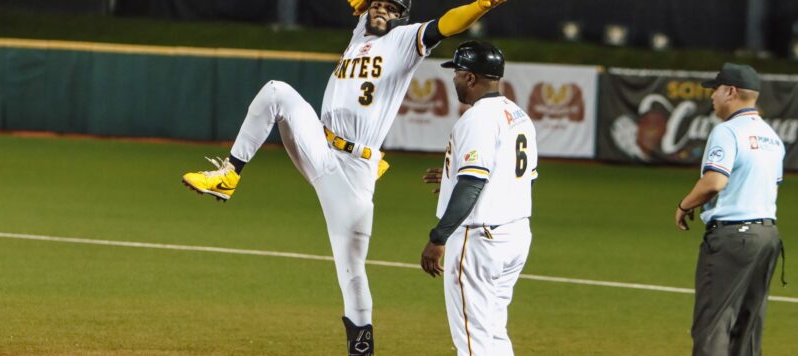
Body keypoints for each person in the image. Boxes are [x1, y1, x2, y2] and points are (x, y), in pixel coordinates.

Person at [181, 0, 509, 354]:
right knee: (276, 92)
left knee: (351, 269)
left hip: (354, 170)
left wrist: (481, 4)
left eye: (391, 7)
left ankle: (361, 347)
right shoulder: (359, 33)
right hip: (320, 146)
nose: (381, 10)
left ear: (402, 16)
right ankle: (229, 174)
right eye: (377, 4)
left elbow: (447, 24)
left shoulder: (404, 40)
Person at [420, 41, 538, 356]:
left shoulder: (477, 119)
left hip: (480, 240)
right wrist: (450, 179)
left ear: (470, 78)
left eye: (457, 73)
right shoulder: (518, 115)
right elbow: (514, 176)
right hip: (515, 235)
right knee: (493, 332)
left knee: (472, 342)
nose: (454, 79)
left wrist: (438, 237)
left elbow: (472, 182)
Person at [674, 62, 785, 356]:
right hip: (767, 237)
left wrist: (684, 205)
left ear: (731, 92)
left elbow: (714, 181)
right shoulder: (772, 137)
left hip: (734, 238)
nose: (712, 96)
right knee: (747, 327)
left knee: (713, 326)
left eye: (716, 89)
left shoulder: (727, 131)